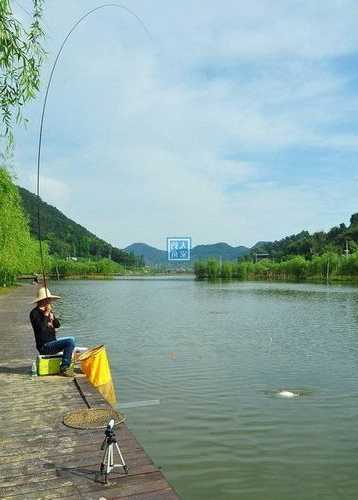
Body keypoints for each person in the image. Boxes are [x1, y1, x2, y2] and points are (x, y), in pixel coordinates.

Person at [30, 286, 76, 377]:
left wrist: (52, 317)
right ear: (43, 300)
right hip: (44, 346)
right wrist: (46, 314)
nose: (50, 301)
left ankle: (66, 363)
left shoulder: (49, 311)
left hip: (52, 343)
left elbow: (57, 325)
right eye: (48, 299)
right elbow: (41, 328)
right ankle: (64, 368)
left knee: (72, 340)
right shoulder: (34, 313)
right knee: (70, 341)